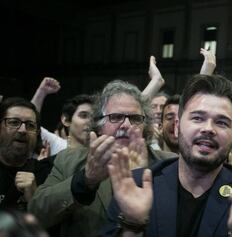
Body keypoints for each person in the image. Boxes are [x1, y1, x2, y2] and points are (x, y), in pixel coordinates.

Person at [102, 75, 232, 237]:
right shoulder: (135, 186)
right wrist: (133, 226)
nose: (208, 129)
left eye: (221, 122)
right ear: (177, 126)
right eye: (197, 118)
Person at [28, 80, 178, 237]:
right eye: (116, 117)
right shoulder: (68, 160)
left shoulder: (169, 164)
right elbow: (36, 214)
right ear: (99, 124)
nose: (126, 124)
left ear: (144, 125)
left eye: (135, 118)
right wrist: (85, 180)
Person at [0, 98, 52, 210]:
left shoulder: (48, 175)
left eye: (30, 125)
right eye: (14, 122)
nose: (23, 130)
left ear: (37, 133)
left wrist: (34, 199)